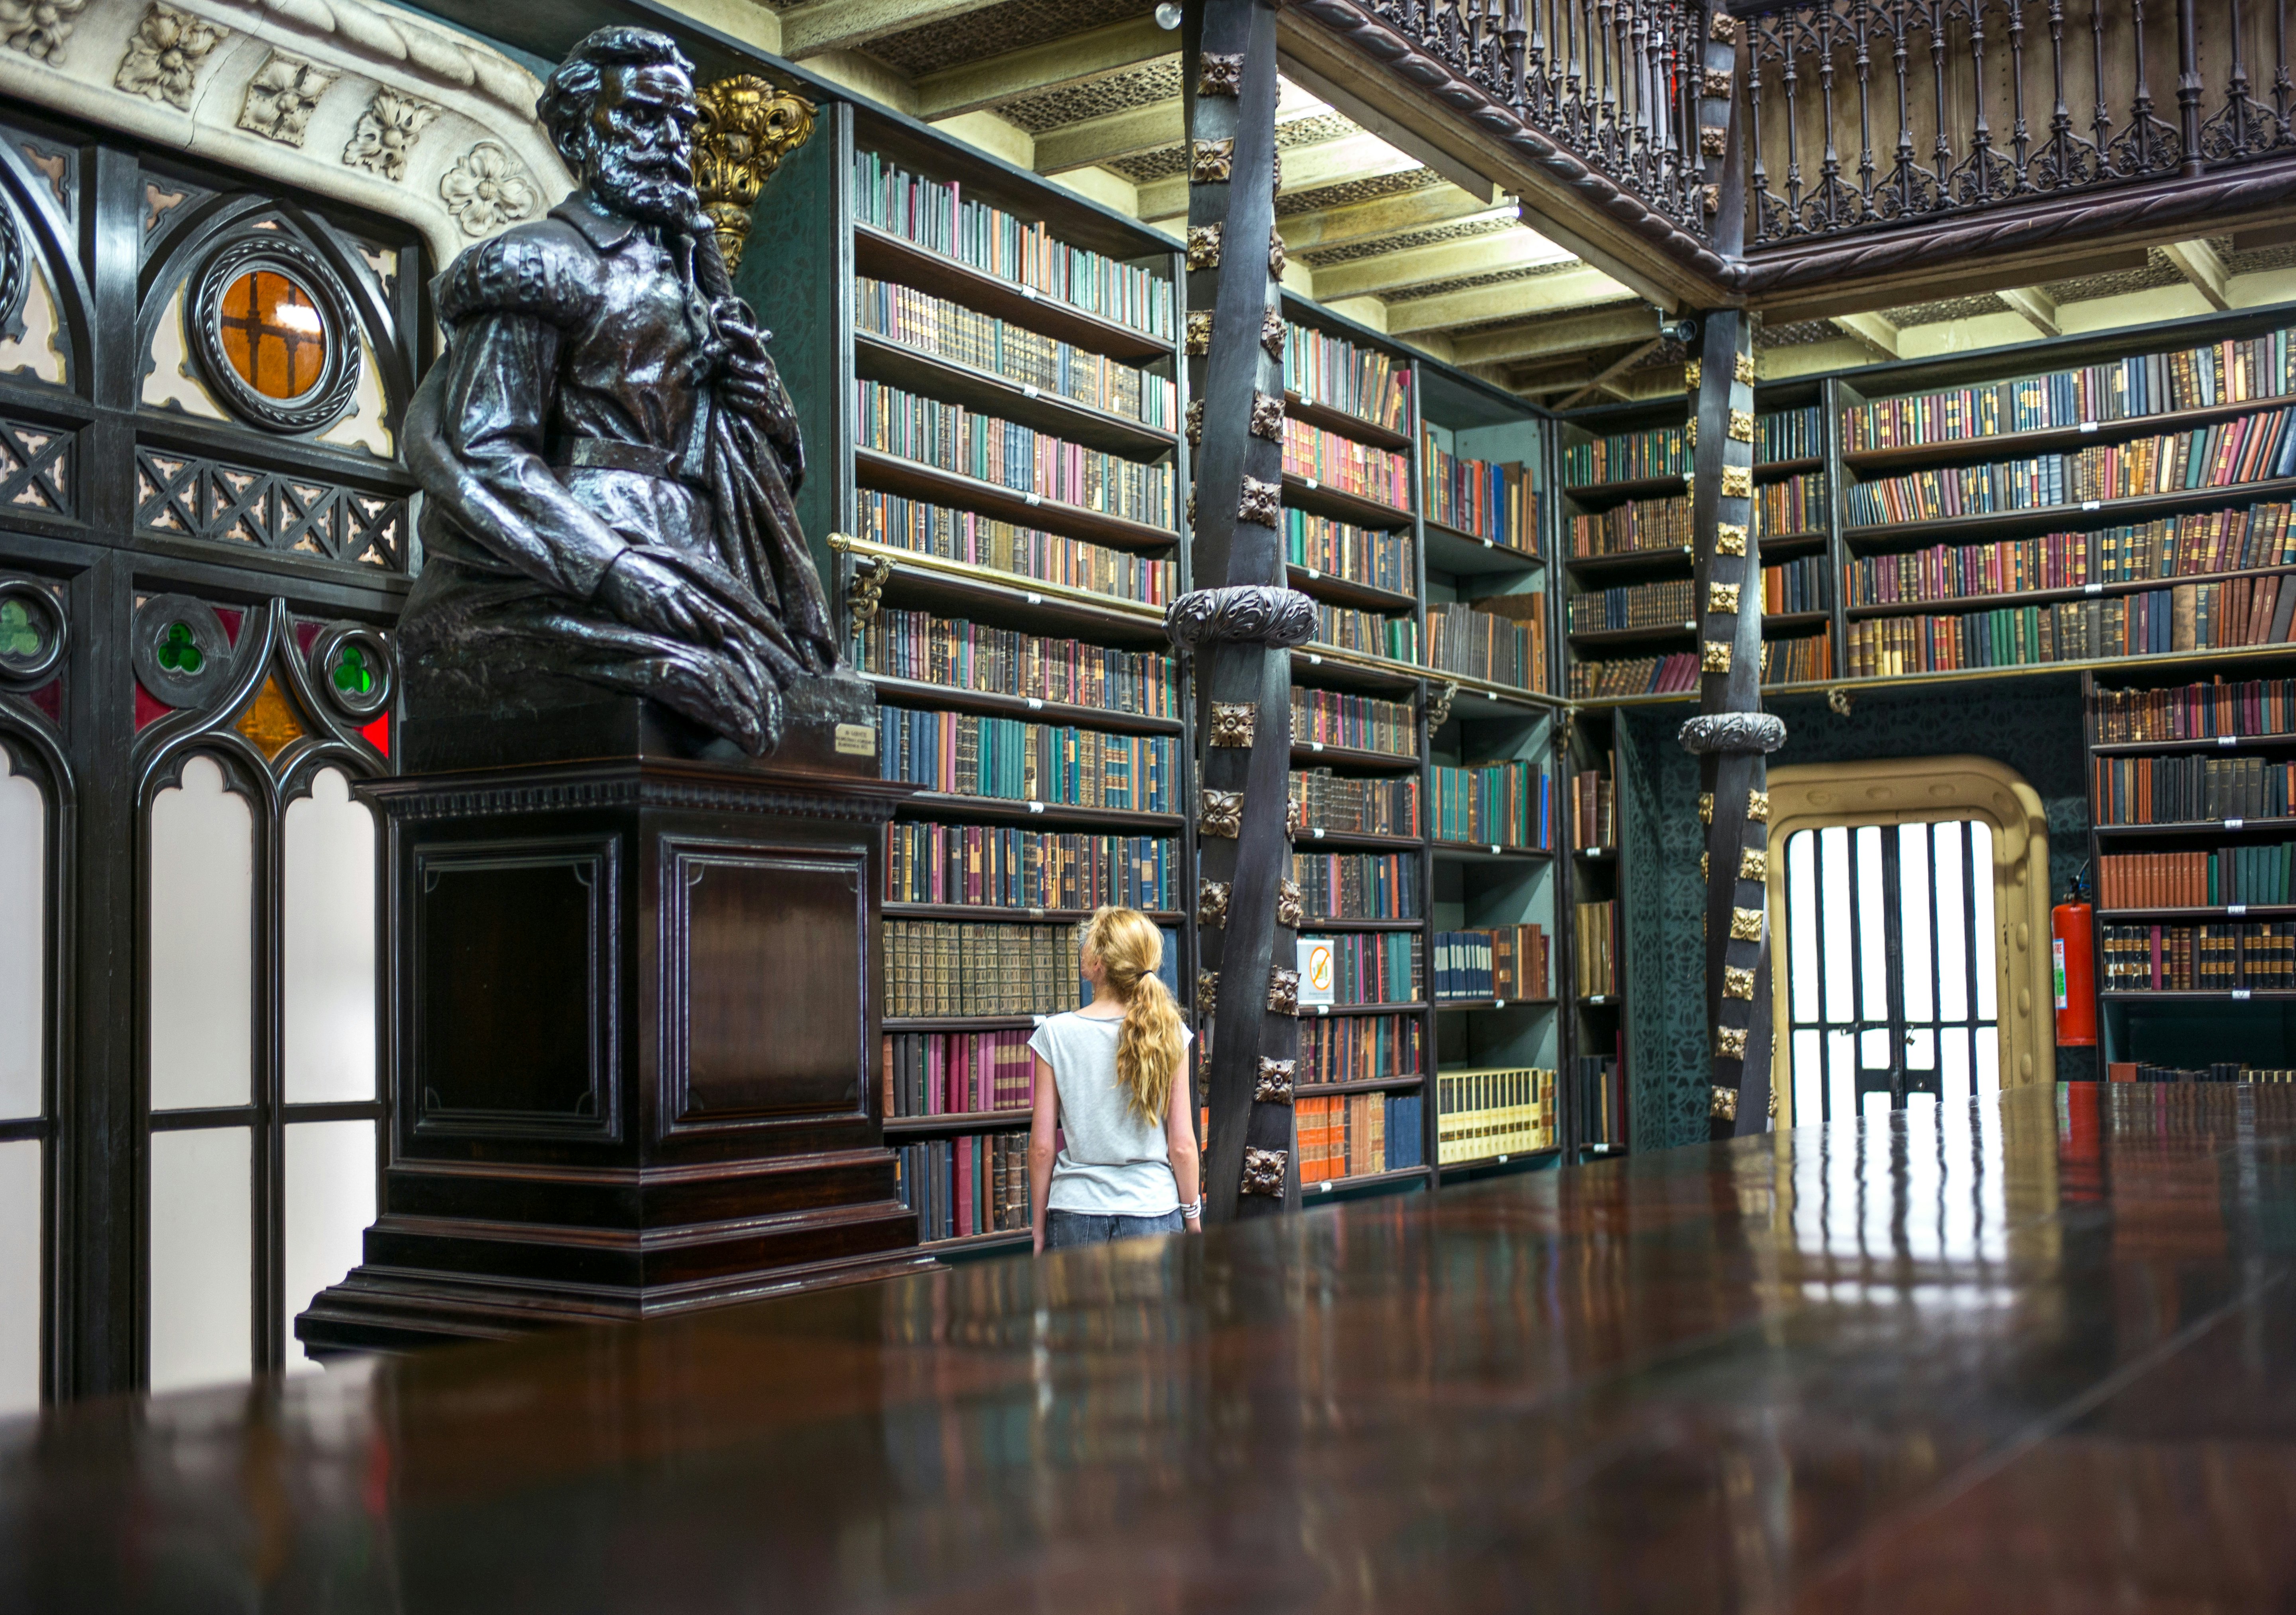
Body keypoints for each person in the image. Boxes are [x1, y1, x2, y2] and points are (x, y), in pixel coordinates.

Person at [399, 26, 838, 757]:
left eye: (680, 123)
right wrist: (610, 568)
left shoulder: (690, 278)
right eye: (640, 116)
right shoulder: (540, 262)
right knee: (727, 688)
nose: (669, 141)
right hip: (577, 560)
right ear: (579, 133)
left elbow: (768, 479)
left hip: (699, 554)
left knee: (814, 699)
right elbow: (487, 452)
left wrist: (762, 404)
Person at [1028, 908, 1202, 1252]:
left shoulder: (1055, 1034)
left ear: (1099, 963)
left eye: (1087, 942)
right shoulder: (1170, 1033)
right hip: (1152, 1210)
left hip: (1074, 1212)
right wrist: (1193, 1218)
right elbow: (1182, 1145)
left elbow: (1042, 1148)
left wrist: (1038, 1231)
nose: (1082, 948)